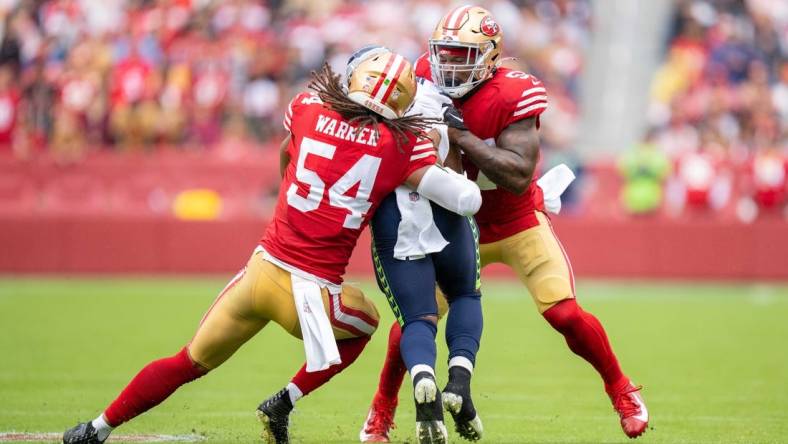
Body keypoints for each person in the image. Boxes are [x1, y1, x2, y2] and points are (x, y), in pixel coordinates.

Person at [63, 50, 481, 444]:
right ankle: (284, 401)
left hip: (259, 271)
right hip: (311, 292)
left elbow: (288, 153)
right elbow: (467, 199)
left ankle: (96, 428)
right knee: (368, 323)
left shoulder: (308, 108)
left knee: (186, 361)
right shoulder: (401, 146)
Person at [364, 6, 650, 440]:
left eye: (462, 54)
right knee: (414, 320)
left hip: (514, 221)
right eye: (445, 52)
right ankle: (382, 408)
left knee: (565, 313)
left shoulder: (513, 92)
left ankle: (621, 388)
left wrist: (461, 138)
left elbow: (517, 176)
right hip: (455, 225)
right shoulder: (420, 74)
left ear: (489, 57)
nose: (449, 64)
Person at [344, 46, 483, 444]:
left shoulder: (352, 120)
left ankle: (423, 374)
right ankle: (458, 378)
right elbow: (461, 178)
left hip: (395, 222)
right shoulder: (439, 100)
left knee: (417, 319)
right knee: (466, 297)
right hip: (447, 214)